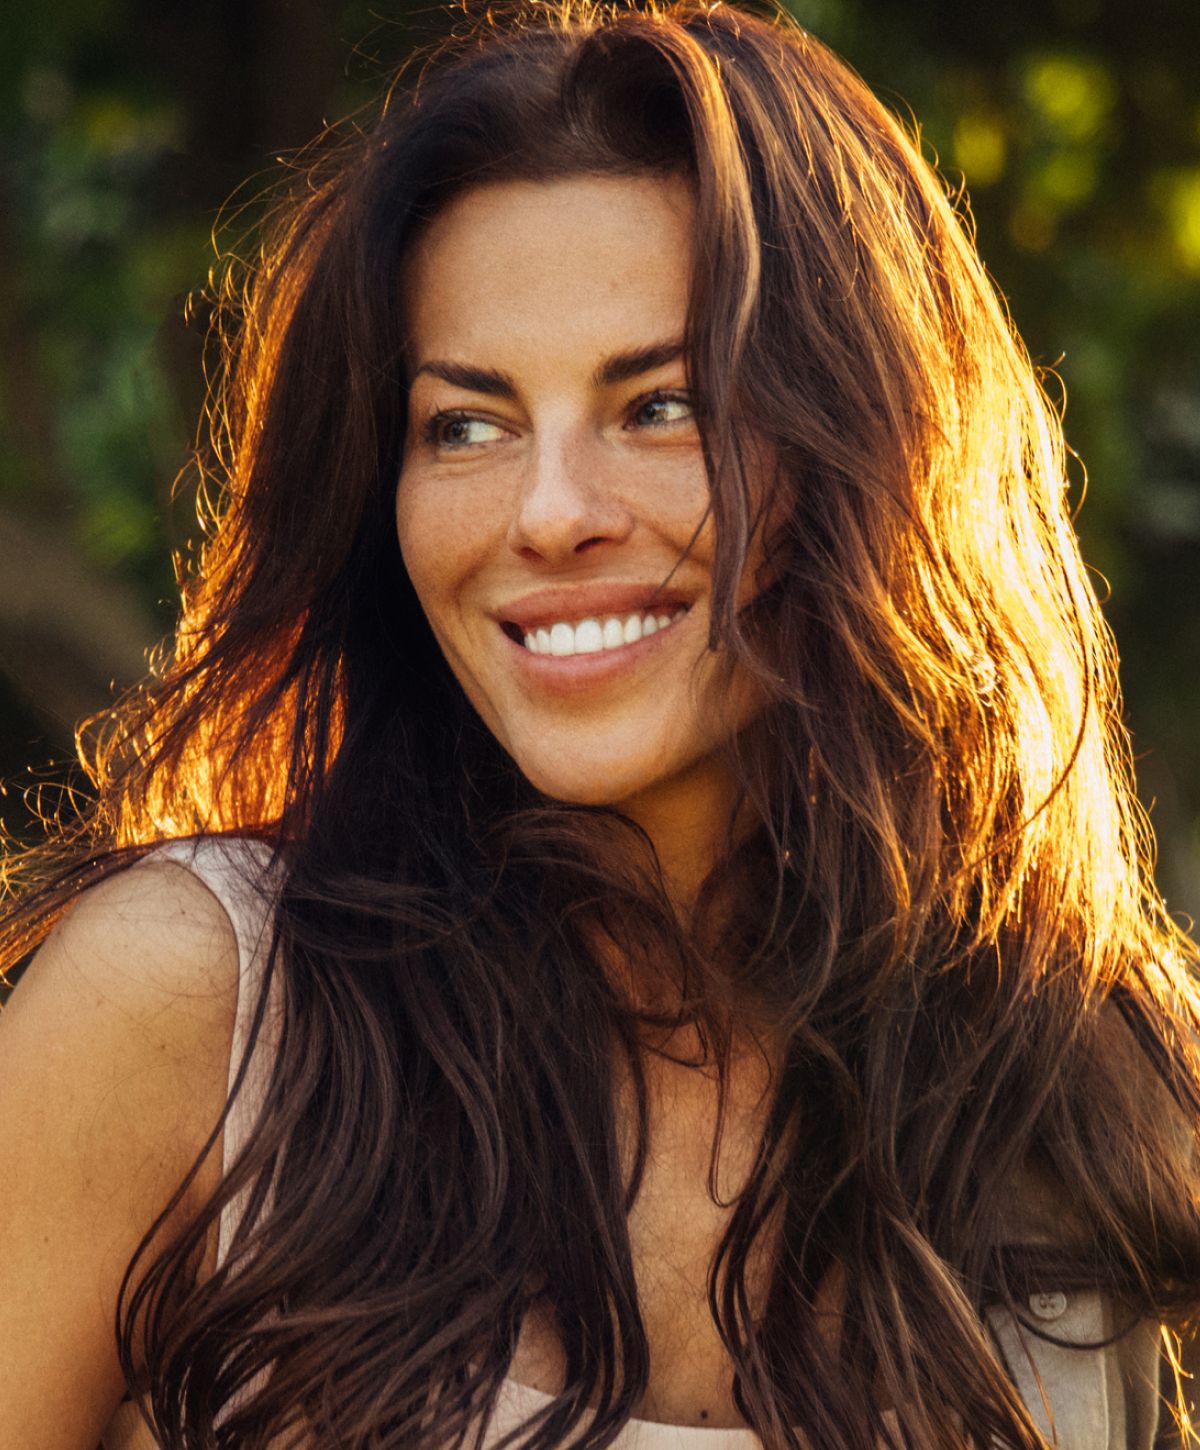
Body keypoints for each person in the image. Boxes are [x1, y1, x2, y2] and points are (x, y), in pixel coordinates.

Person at [2, 1, 1198, 1446]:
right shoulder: (194, 1006)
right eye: (466, 423)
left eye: (663, 403)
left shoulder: (1064, 1081)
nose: (552, 511)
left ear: (867, 459)